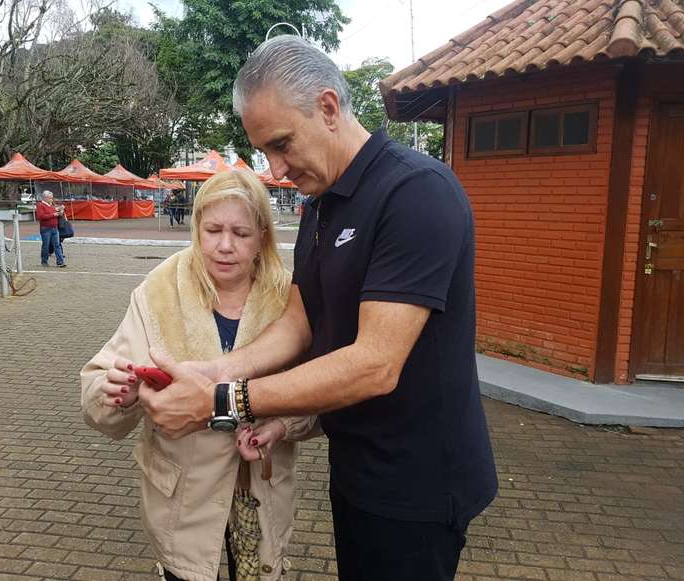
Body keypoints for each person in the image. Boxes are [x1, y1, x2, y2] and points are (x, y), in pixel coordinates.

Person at [138, 35, 498, 581]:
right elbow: (299, 321)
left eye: (283, 144)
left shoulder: (416, 194)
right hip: (356, 465)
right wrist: (217, 368)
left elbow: (376, 364)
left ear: (328, 108)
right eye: (265, 152)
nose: (276, 169)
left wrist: (221, 399)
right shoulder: (321, 206)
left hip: (418, 481)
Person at [81, 168, 315, 581]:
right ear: (196, 229)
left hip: (261, 489)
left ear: (263, 235)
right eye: (213, 230)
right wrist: (116, 391)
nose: (225, 246)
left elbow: (318, 392)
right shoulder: (159, 291)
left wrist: (282, 424)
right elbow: (97, 391)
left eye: (241, 233)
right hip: (182, 500)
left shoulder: (290, 299)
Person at [36, 190, 66, 267]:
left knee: (57, 245)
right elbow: (40, 217)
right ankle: (44, 261)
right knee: (46, 245)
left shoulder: (51, 205)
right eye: (50, 198)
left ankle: (60, 261)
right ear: (45, 198)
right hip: (46, 228)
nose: (51, 200)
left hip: (54, 228)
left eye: (52, 198)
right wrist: (53, 215)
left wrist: (60, 211)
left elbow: (54, 212)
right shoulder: (40, 205)